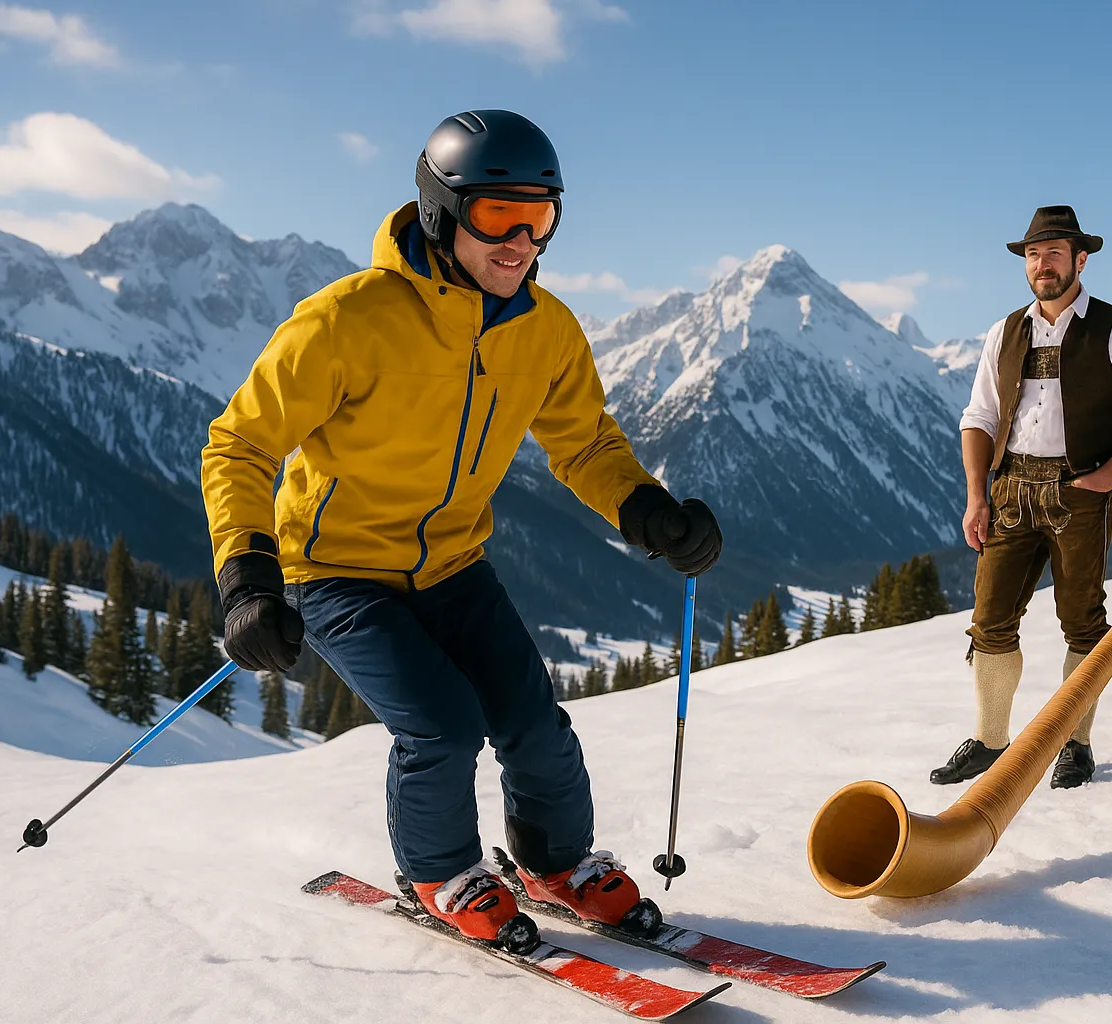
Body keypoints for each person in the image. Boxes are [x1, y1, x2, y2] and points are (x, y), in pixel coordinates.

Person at [201, 110, 722, 950]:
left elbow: (585, 442)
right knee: (442, 725)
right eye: (497, 216)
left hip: (451, 565)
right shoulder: (347, 319)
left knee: (532, 720)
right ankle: (440, 872)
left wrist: (649, 512)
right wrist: (247, 580)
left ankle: (556, 862)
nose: (521, 240)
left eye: (541, 216)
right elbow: (241, 443)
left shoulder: (543, 328)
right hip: (336, 571)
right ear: (444, 213)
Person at [933, 206, 1112, 789]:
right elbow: (979, 416)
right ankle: (992, 741)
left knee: (1083, 625)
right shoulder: (1004, 330)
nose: (1043, 265)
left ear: (1080, 260)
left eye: (1055, 253)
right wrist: (976, 495)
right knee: (989, 621)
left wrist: (1110, 476)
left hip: (1079, 492)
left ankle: (1075, 744)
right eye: (1034, 255)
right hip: (1010, 490)